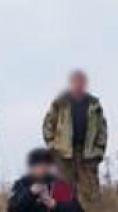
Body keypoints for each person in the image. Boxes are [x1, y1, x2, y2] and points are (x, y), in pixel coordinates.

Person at [42, 70, 108, 205]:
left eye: (82, 82)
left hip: (88, 154)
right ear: (71, 84)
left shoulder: (94, 104)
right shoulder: (60, 102)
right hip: (63, 154)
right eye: (76, 82)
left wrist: (98, 152)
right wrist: (52, 147)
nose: (79, 85)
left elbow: (102, 129)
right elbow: (48, 125)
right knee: (63, 193)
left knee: (91, 194)